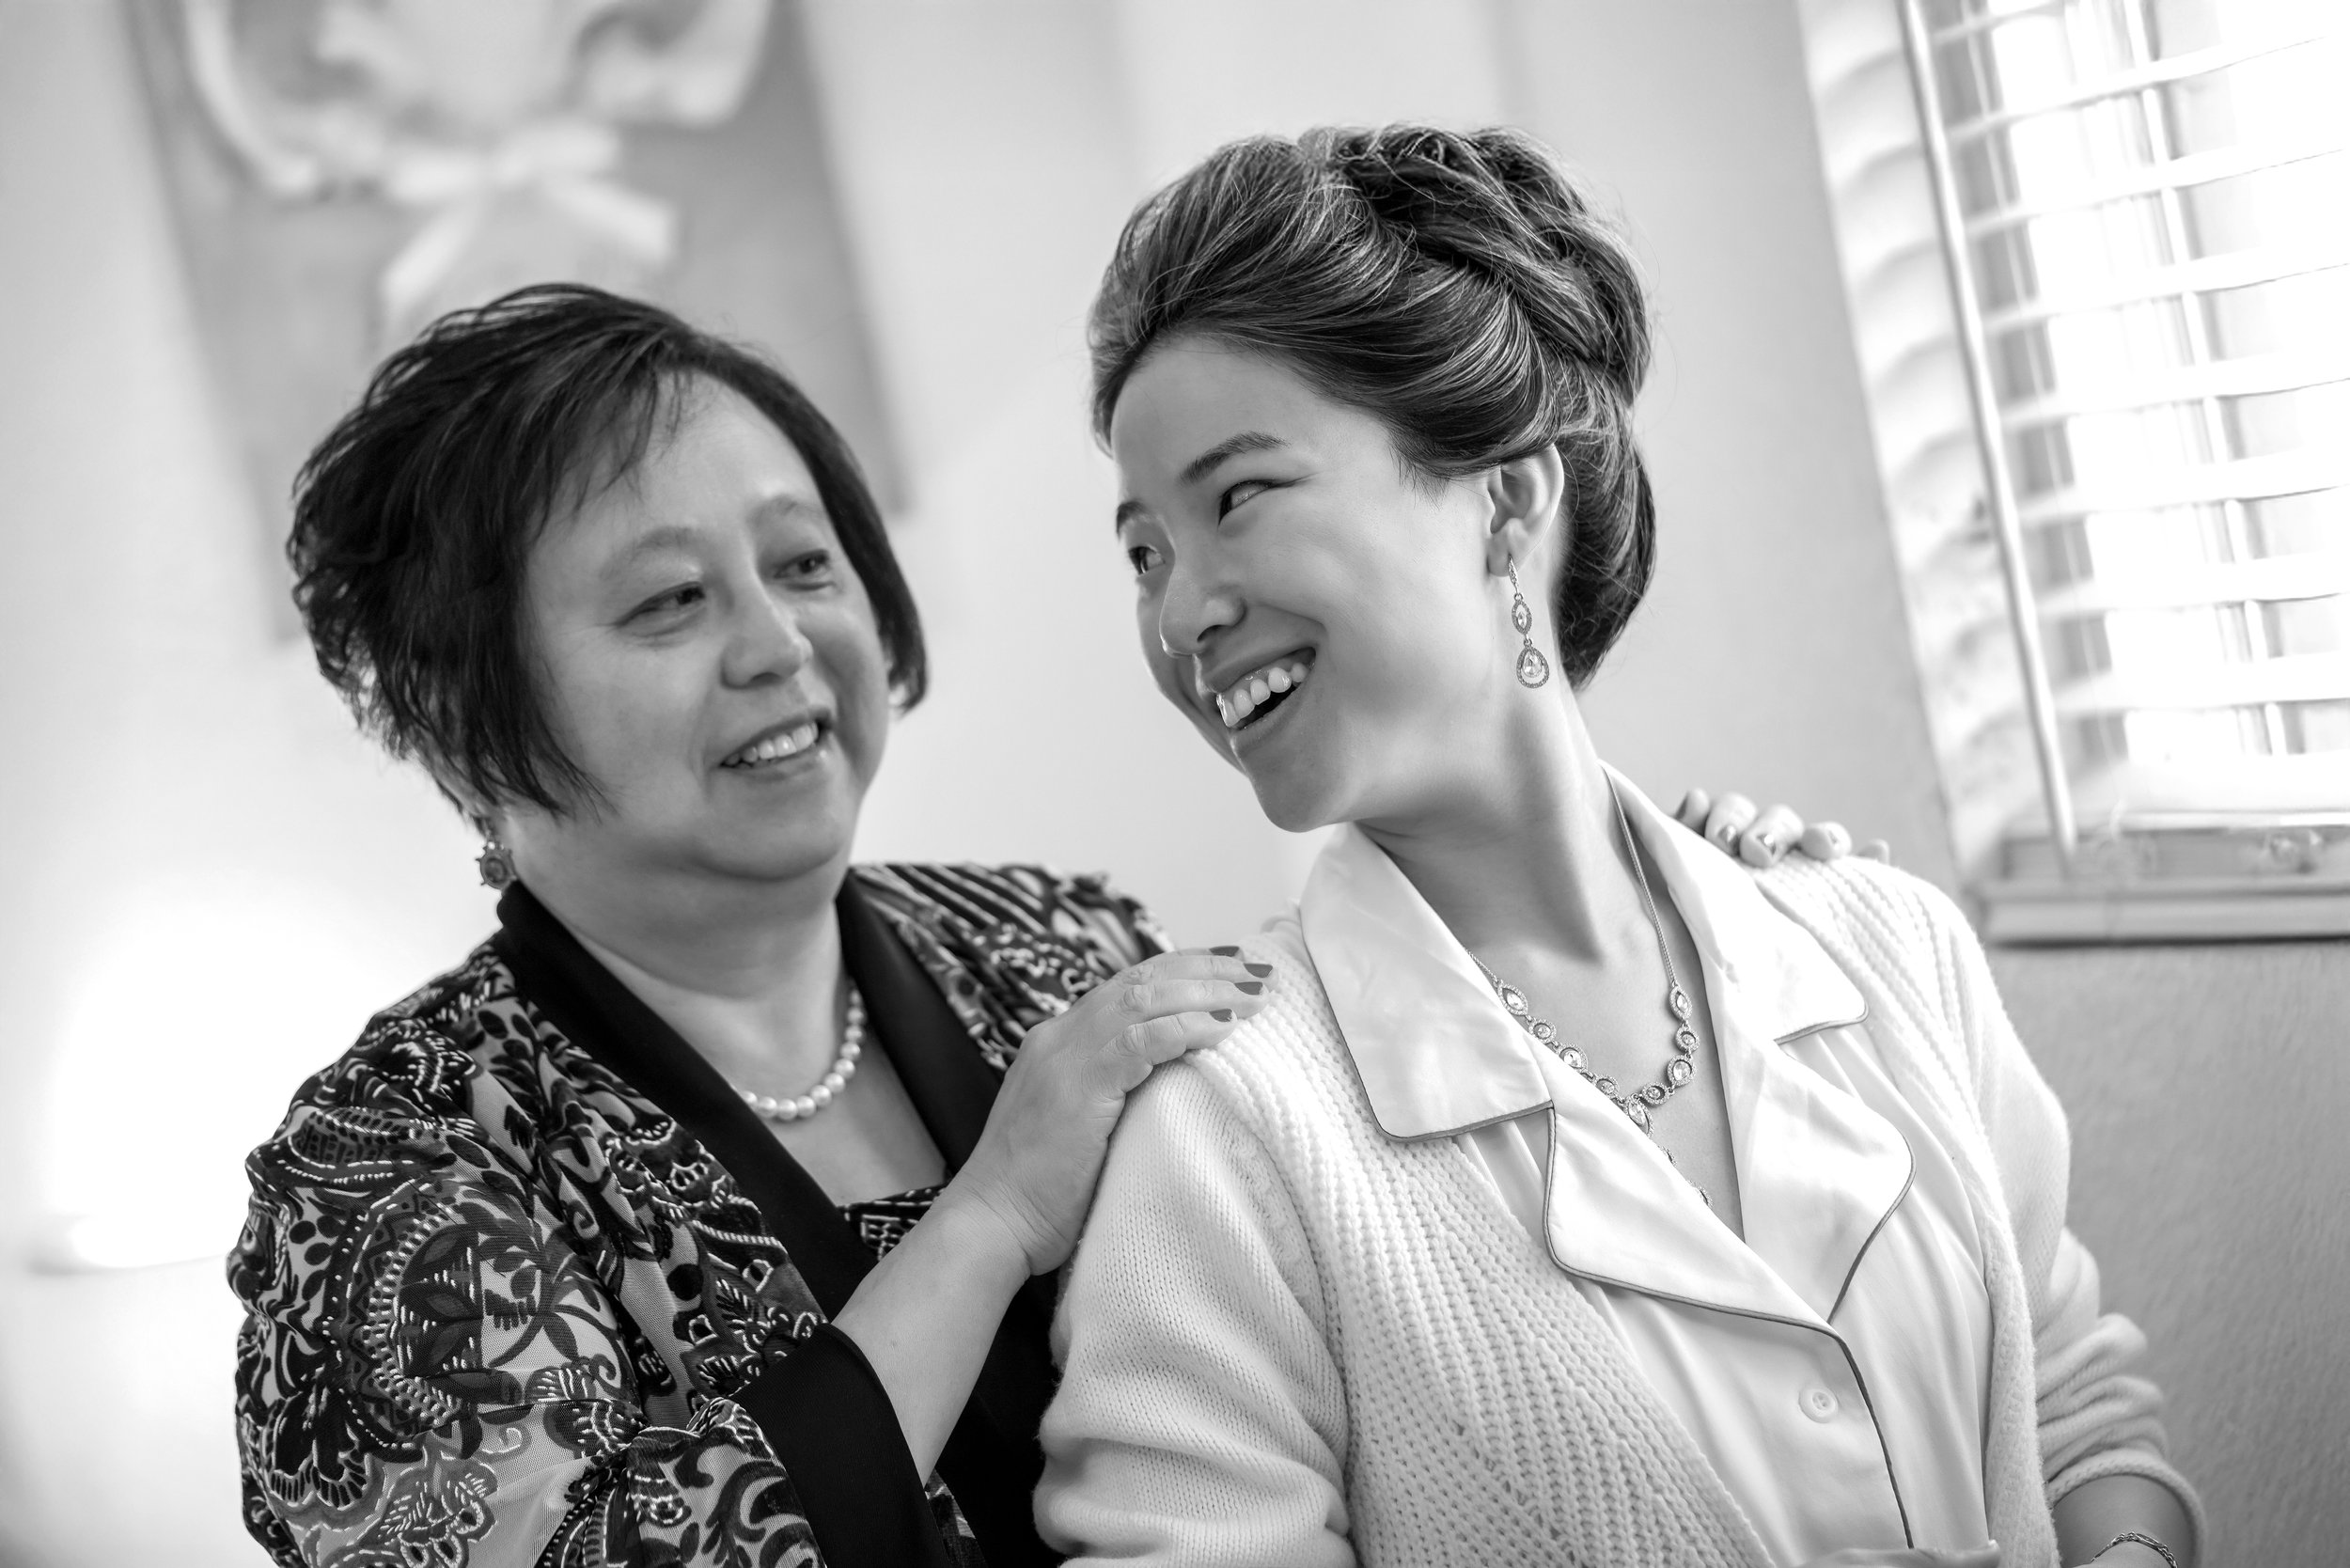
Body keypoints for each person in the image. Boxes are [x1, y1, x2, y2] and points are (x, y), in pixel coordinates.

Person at [228, 284, 1831, 1568]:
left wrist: (1656, 900)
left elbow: (1382, 1174)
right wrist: (989, 1218)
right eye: (668, 602)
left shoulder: (1053, 944)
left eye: (806, 563)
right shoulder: (392, 1172)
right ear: (462, 714)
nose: (780, 641)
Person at [1038, 127, 2202, 1568]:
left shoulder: (1889, 946)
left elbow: (2075, 1409)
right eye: (1142, 550)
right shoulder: (1224, 1140)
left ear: (1510, 499)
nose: (1180, 615)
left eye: (1239, 497)